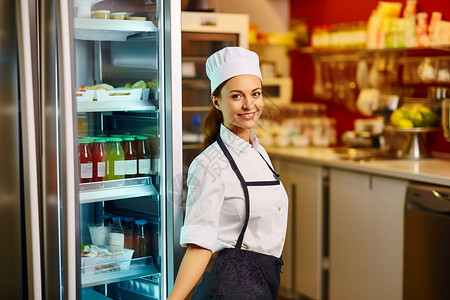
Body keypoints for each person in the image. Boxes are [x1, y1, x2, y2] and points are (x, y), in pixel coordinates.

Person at [168, 47, 288, 300]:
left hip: (265, 280)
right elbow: (199, 244)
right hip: (234, 286)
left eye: (255, 94)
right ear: (216, 101)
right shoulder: (209, 165)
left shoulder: (258, 151)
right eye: (236, 96)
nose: (249, 104)